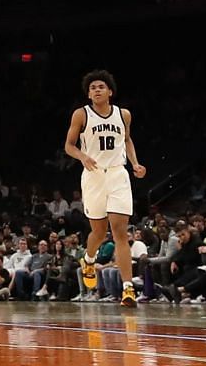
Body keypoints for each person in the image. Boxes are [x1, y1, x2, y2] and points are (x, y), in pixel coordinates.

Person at [63, 70, 147, 306]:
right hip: (93, 176)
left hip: (118, 175)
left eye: (101, 86)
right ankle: (88, 259)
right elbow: (69, 145)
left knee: (121, 232)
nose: (96, 90)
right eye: (92, 88)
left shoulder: (124, 115)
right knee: (99, 233)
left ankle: (128, 289)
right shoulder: (82, 114)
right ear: (89, 95)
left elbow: (127, 140)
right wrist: (82, 156)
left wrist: (135, 163)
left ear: (110, 91)